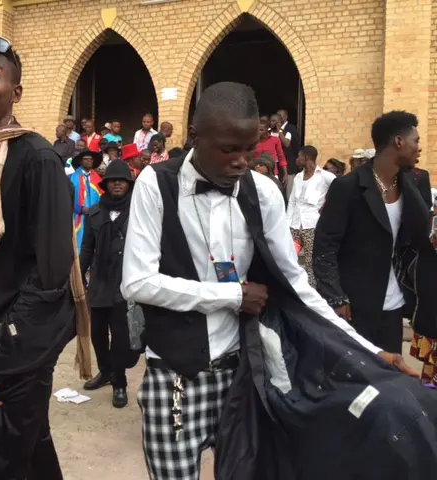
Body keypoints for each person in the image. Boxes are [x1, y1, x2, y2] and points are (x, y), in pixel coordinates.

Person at [120, 82, 409, 479]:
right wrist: (231, 295)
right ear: (195, 137)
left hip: (245, 376)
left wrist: (367, 349)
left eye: (249, 148)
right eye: (228, 149)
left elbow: (298, 283)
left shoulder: (264, 193)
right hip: (174, 378)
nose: (241, 161)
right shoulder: (156, 184)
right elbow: (137, 283)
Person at [0, 34, 75, 480]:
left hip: (30, 330)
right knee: (29, 436)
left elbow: (50, 275)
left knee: (5, 446)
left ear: (15, 92)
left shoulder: (38, 159)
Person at [314, 110, 437, 354]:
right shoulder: (348, 187)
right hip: (355, 305)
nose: (419, 148)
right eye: (416, 141)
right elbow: (324, 246)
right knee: (358, 383)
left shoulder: (409, 184)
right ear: (398, 142)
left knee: (391, 381)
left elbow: (416, 238)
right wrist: (336, 299)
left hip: (394, 304)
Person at [79, 160, 140, 408]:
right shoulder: (94, 213)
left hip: (125, 282)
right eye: (113, 180)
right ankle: (105, 371)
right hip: (100, 281)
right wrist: (78, 276)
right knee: (97, 333)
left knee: (121, 336)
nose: (117, 183)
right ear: (105, 185)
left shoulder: (138, 212)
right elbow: (86, 248)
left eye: (122, 180)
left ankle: (120, 383)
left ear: (128, 184)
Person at [286, 145, 336, 287]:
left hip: (312, 225)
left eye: (299, 156)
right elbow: (292, 201)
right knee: (289, 256)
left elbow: (338, 191)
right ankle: (293, 287)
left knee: (310, 260)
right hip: (295, 224)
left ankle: (312, 290)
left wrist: (327, 204)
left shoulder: (326, 176)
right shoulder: (298, 177)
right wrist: (287, 223)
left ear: (306, 158)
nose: (296, 160)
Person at [70, 149, 103, 251]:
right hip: (77, 216)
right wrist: (80, 209)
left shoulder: (99, 180)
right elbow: (67, 199)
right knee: (78, 244)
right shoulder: (72, 178)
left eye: (91, 159)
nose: (89, 161)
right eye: (86, 159)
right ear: (80, 161)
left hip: (95, 216)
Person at [276, 109, 302, 195]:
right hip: (278, 166)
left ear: (286, 116)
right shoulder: (273, 130)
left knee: (288, 192)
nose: (278, 118)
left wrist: (296, 162)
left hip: (289, 165)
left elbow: (296, 146)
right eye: (277, 116)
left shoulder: (291, 128)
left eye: (281, 115)